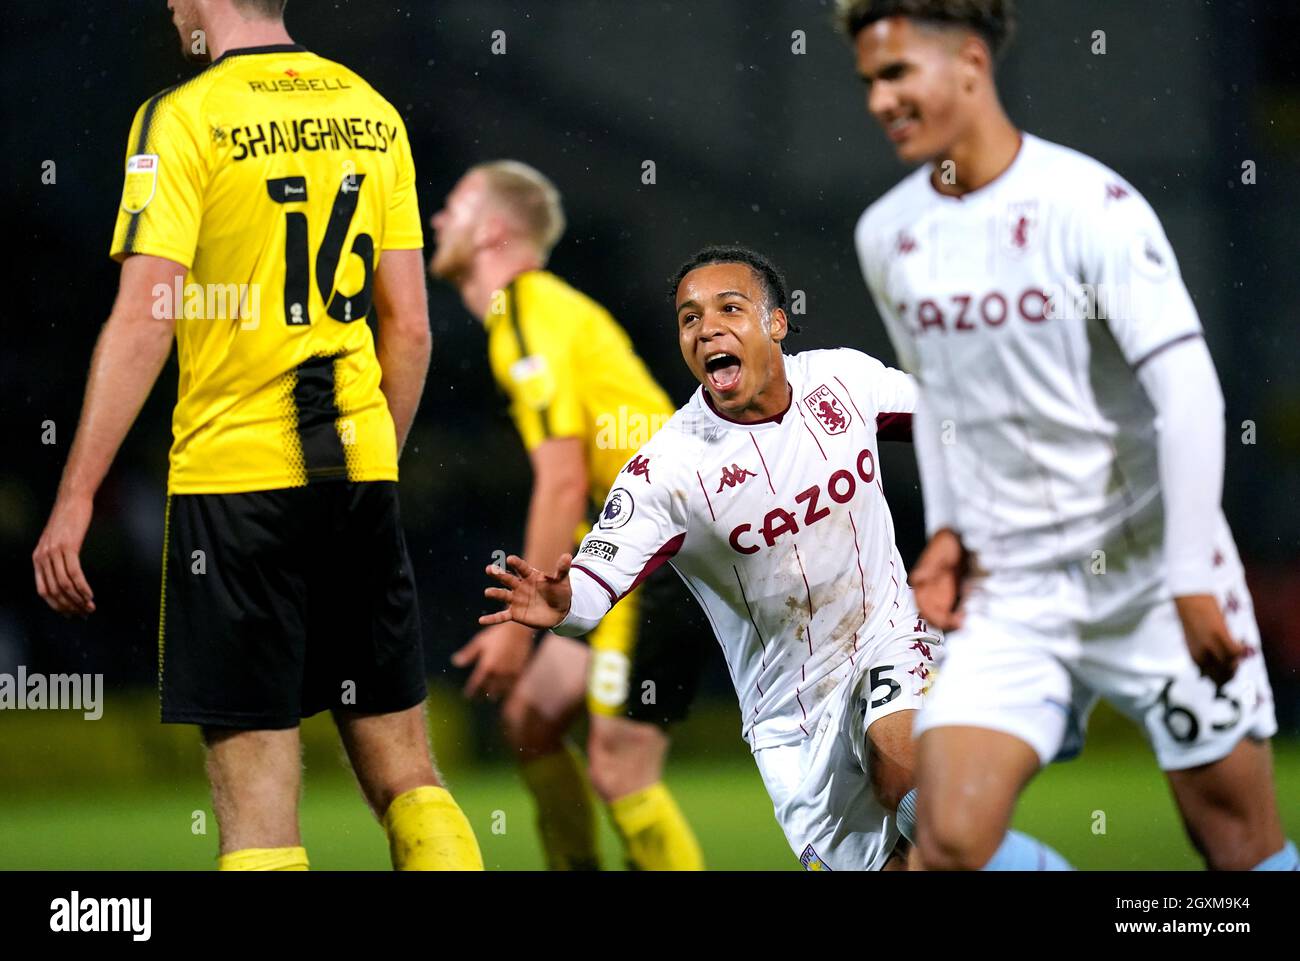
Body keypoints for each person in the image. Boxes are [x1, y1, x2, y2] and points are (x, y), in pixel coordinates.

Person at [844, 0, 1295, 870]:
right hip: (1014, 593)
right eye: (868, 81)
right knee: (942, 838)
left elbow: (1189, 388)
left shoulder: (1090, 205)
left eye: (897, 73)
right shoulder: (889, 234)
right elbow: (941, 399)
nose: (878, 99)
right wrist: (947, 530)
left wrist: (1193, 571)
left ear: (971, 63)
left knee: (1239, 847)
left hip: (1147, 578)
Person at [32, 0, 481, 871]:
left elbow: (144, 317)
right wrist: (373, 458)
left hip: (234, 486)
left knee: (260, 816)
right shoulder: (369, 109)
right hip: (358, 468)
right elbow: (413, 329)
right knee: (411, 780)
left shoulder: (183, 115)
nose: (165, 4)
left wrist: (77, 492)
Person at [483, 244, 1025, 869]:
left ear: (775, 322)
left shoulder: (844, 381)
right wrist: (560, 600)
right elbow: (594, 584)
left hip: (890, 637)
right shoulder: (667, 471)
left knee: (906, 778)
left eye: (729, 308)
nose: (706, 326)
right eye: (689, 318)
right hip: (789, 714)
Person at [429, 161, 708, 870]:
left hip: (664, 550)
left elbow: (559, 481)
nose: (437, 219)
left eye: (455, 206)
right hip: (626, 546)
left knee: (620, 770)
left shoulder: (524, 312)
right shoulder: (539, 312)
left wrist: (523, 625)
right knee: (530, 721)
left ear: (492, 230)